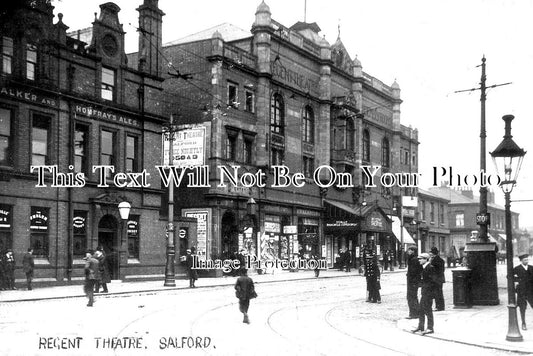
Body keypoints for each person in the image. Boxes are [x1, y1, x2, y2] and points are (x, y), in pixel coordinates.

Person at [412, 252, 438, 335]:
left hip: (428, 293)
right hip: (425, 292)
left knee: (428, 310)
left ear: (425, 259)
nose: (419, 260)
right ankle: (421, 326)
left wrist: (423, 285)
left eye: (420, 259)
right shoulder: (424, 267)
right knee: (421, 309)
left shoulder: (430, 267)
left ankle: (430, 328)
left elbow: (432, 281)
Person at [513, 254, 533, 330]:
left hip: (531, 291)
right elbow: (509, 276)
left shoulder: (531, 268)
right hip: (521, 291)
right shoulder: (517, 268)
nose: (526, 261)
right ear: (521, 261)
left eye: (527, 260)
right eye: (525, 260)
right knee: (522, 307)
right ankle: (523, 323)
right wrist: (518, 280)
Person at [406, 246, 422, 319]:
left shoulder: (413, 260)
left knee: (411, 297)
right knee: (413, 297)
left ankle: (414, 314)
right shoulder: (414, 259)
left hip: (412, 282)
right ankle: (415, 313)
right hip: (413, 281)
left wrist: (409, 276)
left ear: (413, 251)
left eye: (409, 250)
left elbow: (414, 272)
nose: (408, 251)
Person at [430, 247, 445, 311]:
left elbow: (435, 270)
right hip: (439, 279)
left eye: (431, 252)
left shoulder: (435, 260)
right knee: (439, 293)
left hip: (436, 279)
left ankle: (439, 307)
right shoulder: (440, 259)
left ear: (433, 253)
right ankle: (440, 306)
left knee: (437, 293)